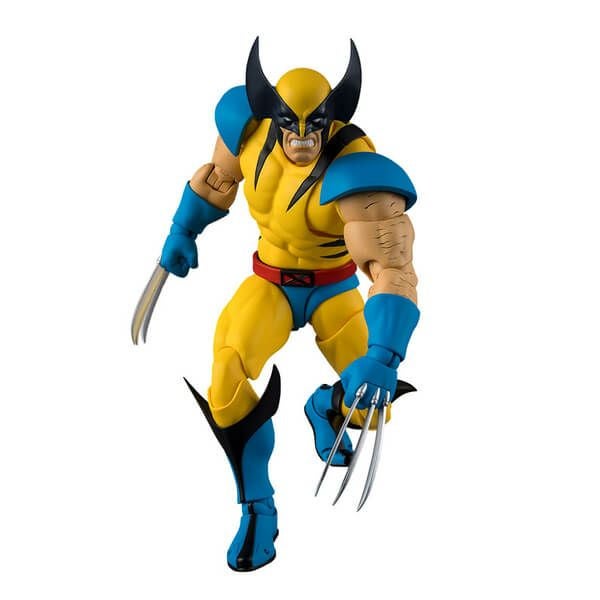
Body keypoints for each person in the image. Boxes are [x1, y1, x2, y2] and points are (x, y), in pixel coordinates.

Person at [148, 38, 419, 571]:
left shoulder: (356, 166)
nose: (301, 138)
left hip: (334, 289)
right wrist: (184, 228)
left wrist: (384, 354)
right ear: (271, 115)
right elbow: (219, 178)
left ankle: (325, 406)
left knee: (372, 405)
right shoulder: (247, 134)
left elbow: (393, 269)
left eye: (314, 125)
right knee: (226, 380)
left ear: (331, 119)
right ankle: (257, 507)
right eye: (289, 125)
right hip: (269, 282)